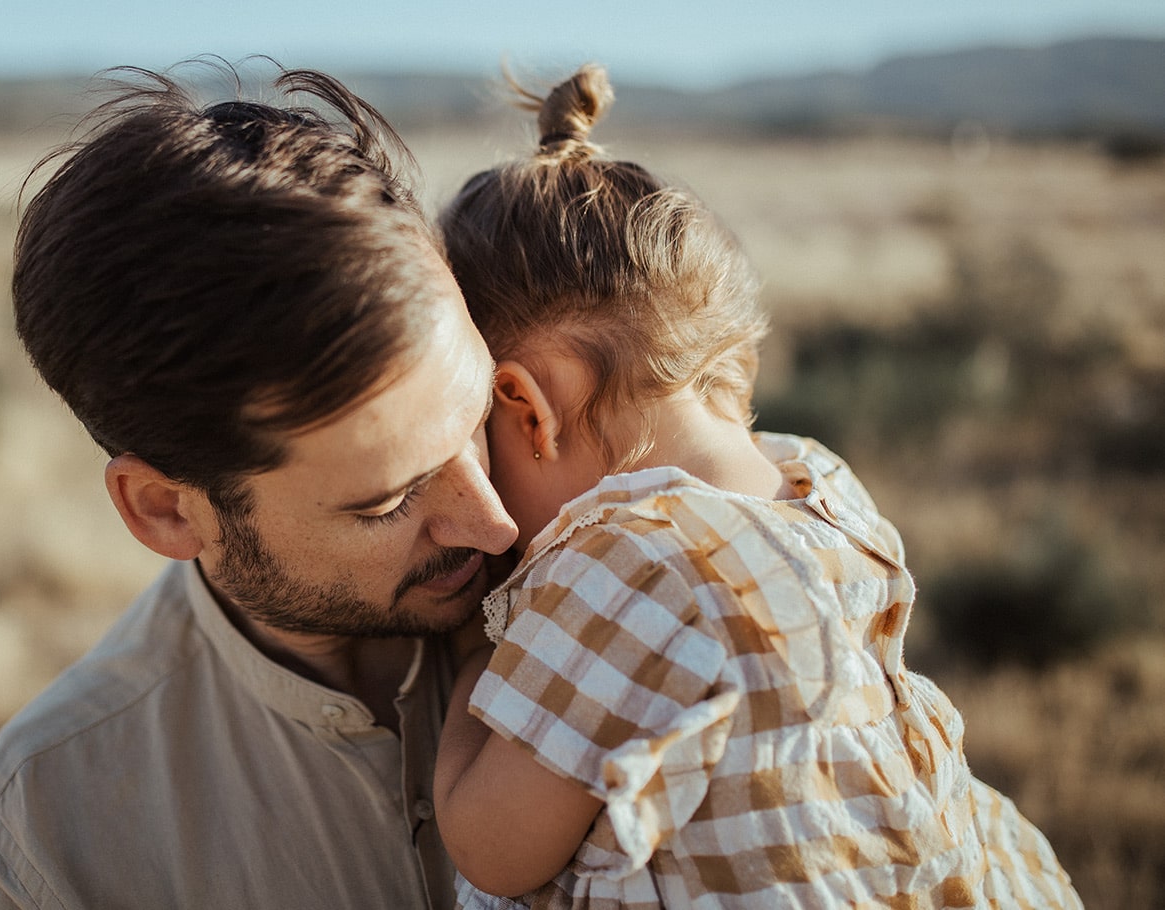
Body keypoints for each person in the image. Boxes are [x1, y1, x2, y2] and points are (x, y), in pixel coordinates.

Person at [432, 64, 1082, 909]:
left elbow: (490, 848)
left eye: (473, 443)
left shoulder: (622, 567)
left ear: (525, 410)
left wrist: (468, 659)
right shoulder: (823, 488)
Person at [0, 61, 518, 909]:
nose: (497, 524)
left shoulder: (643, 574)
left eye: (480, 416)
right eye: (386, 502)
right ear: (166, 511)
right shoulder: (44, 827)